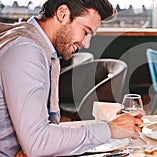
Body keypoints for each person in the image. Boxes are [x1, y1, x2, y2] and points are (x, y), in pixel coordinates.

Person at [0, 0, 145, 156]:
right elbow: (38, 142)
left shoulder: (31, 41)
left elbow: (35, 141)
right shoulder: (26, 51)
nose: (86, 43)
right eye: (85, 31)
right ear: (63, 14)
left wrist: (33, 144)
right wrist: (110, 129)